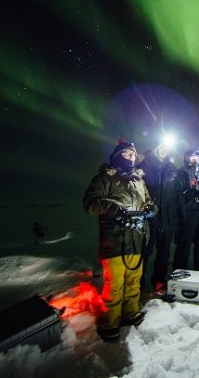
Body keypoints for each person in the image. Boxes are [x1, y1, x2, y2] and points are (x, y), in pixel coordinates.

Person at [82, 138, 157, 342]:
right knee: (114, 285)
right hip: (114, 241)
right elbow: (90, 203)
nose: (131, 157)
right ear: (117, 156)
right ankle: (110, 322)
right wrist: (112, 207)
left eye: (133, 154)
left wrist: (151, 208)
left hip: (137, 238)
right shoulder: (105, 178)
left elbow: (149, 201)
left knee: (133, 281)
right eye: (126, 154)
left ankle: (130, 313)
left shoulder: (139, 181)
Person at [137, 144, 180, 294]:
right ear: (155, 148)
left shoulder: (171, 167)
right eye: (160, 147)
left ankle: (159, 280)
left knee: (164, 253)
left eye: (166, 148)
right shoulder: (144, 164)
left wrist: (176, 216)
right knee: (144, 252)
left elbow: (177, 193)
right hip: (149, 217)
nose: (164, 150)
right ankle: (138, 283)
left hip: (167, 217)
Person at [172, 148, 199, 271]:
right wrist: (184, 210)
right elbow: (178, 193)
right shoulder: (182, 172)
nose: (195, 159)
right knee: (185, 242)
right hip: (189, 211)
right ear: (187, 158)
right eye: (191, 157)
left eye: (197, 157)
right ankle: (180, 270)